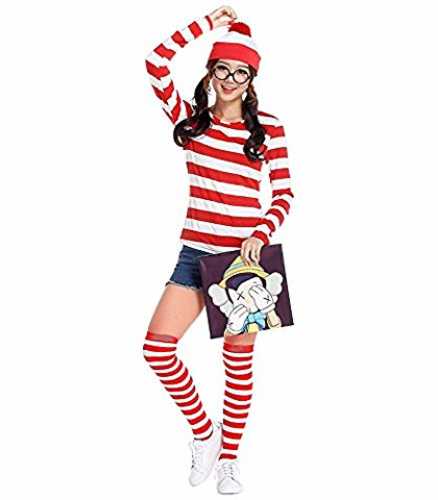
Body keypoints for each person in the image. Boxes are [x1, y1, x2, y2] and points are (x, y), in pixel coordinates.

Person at [142, 5, 295, 495]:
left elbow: (285, 193)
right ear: (210, 73)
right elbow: (155, 61)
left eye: (240, 72)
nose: (230, 80)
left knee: (237, 363)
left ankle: (229, 459)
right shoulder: (191, 122)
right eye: (222, 69)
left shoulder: (268, 128)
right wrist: (208, 24)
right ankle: (206, 434)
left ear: (251, 80)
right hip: (195, 253)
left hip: (244, 263)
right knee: (157, 348)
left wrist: (261, 232)